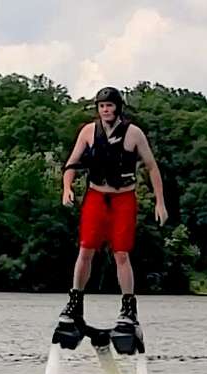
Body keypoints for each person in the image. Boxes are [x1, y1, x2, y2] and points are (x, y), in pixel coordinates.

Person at [56, 86, 168, 333]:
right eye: (101, 106)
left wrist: (160, 201)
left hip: (123, 198)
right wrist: (67, 188)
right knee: (86, 250)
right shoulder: (88, 131)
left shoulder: (133, 134)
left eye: (109, 106)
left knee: (121, 254)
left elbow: (152, 167)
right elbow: (71, 164)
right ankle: (75, 303)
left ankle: (128, 308)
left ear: (118, 107)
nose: (105, 110)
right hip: (96, 196)